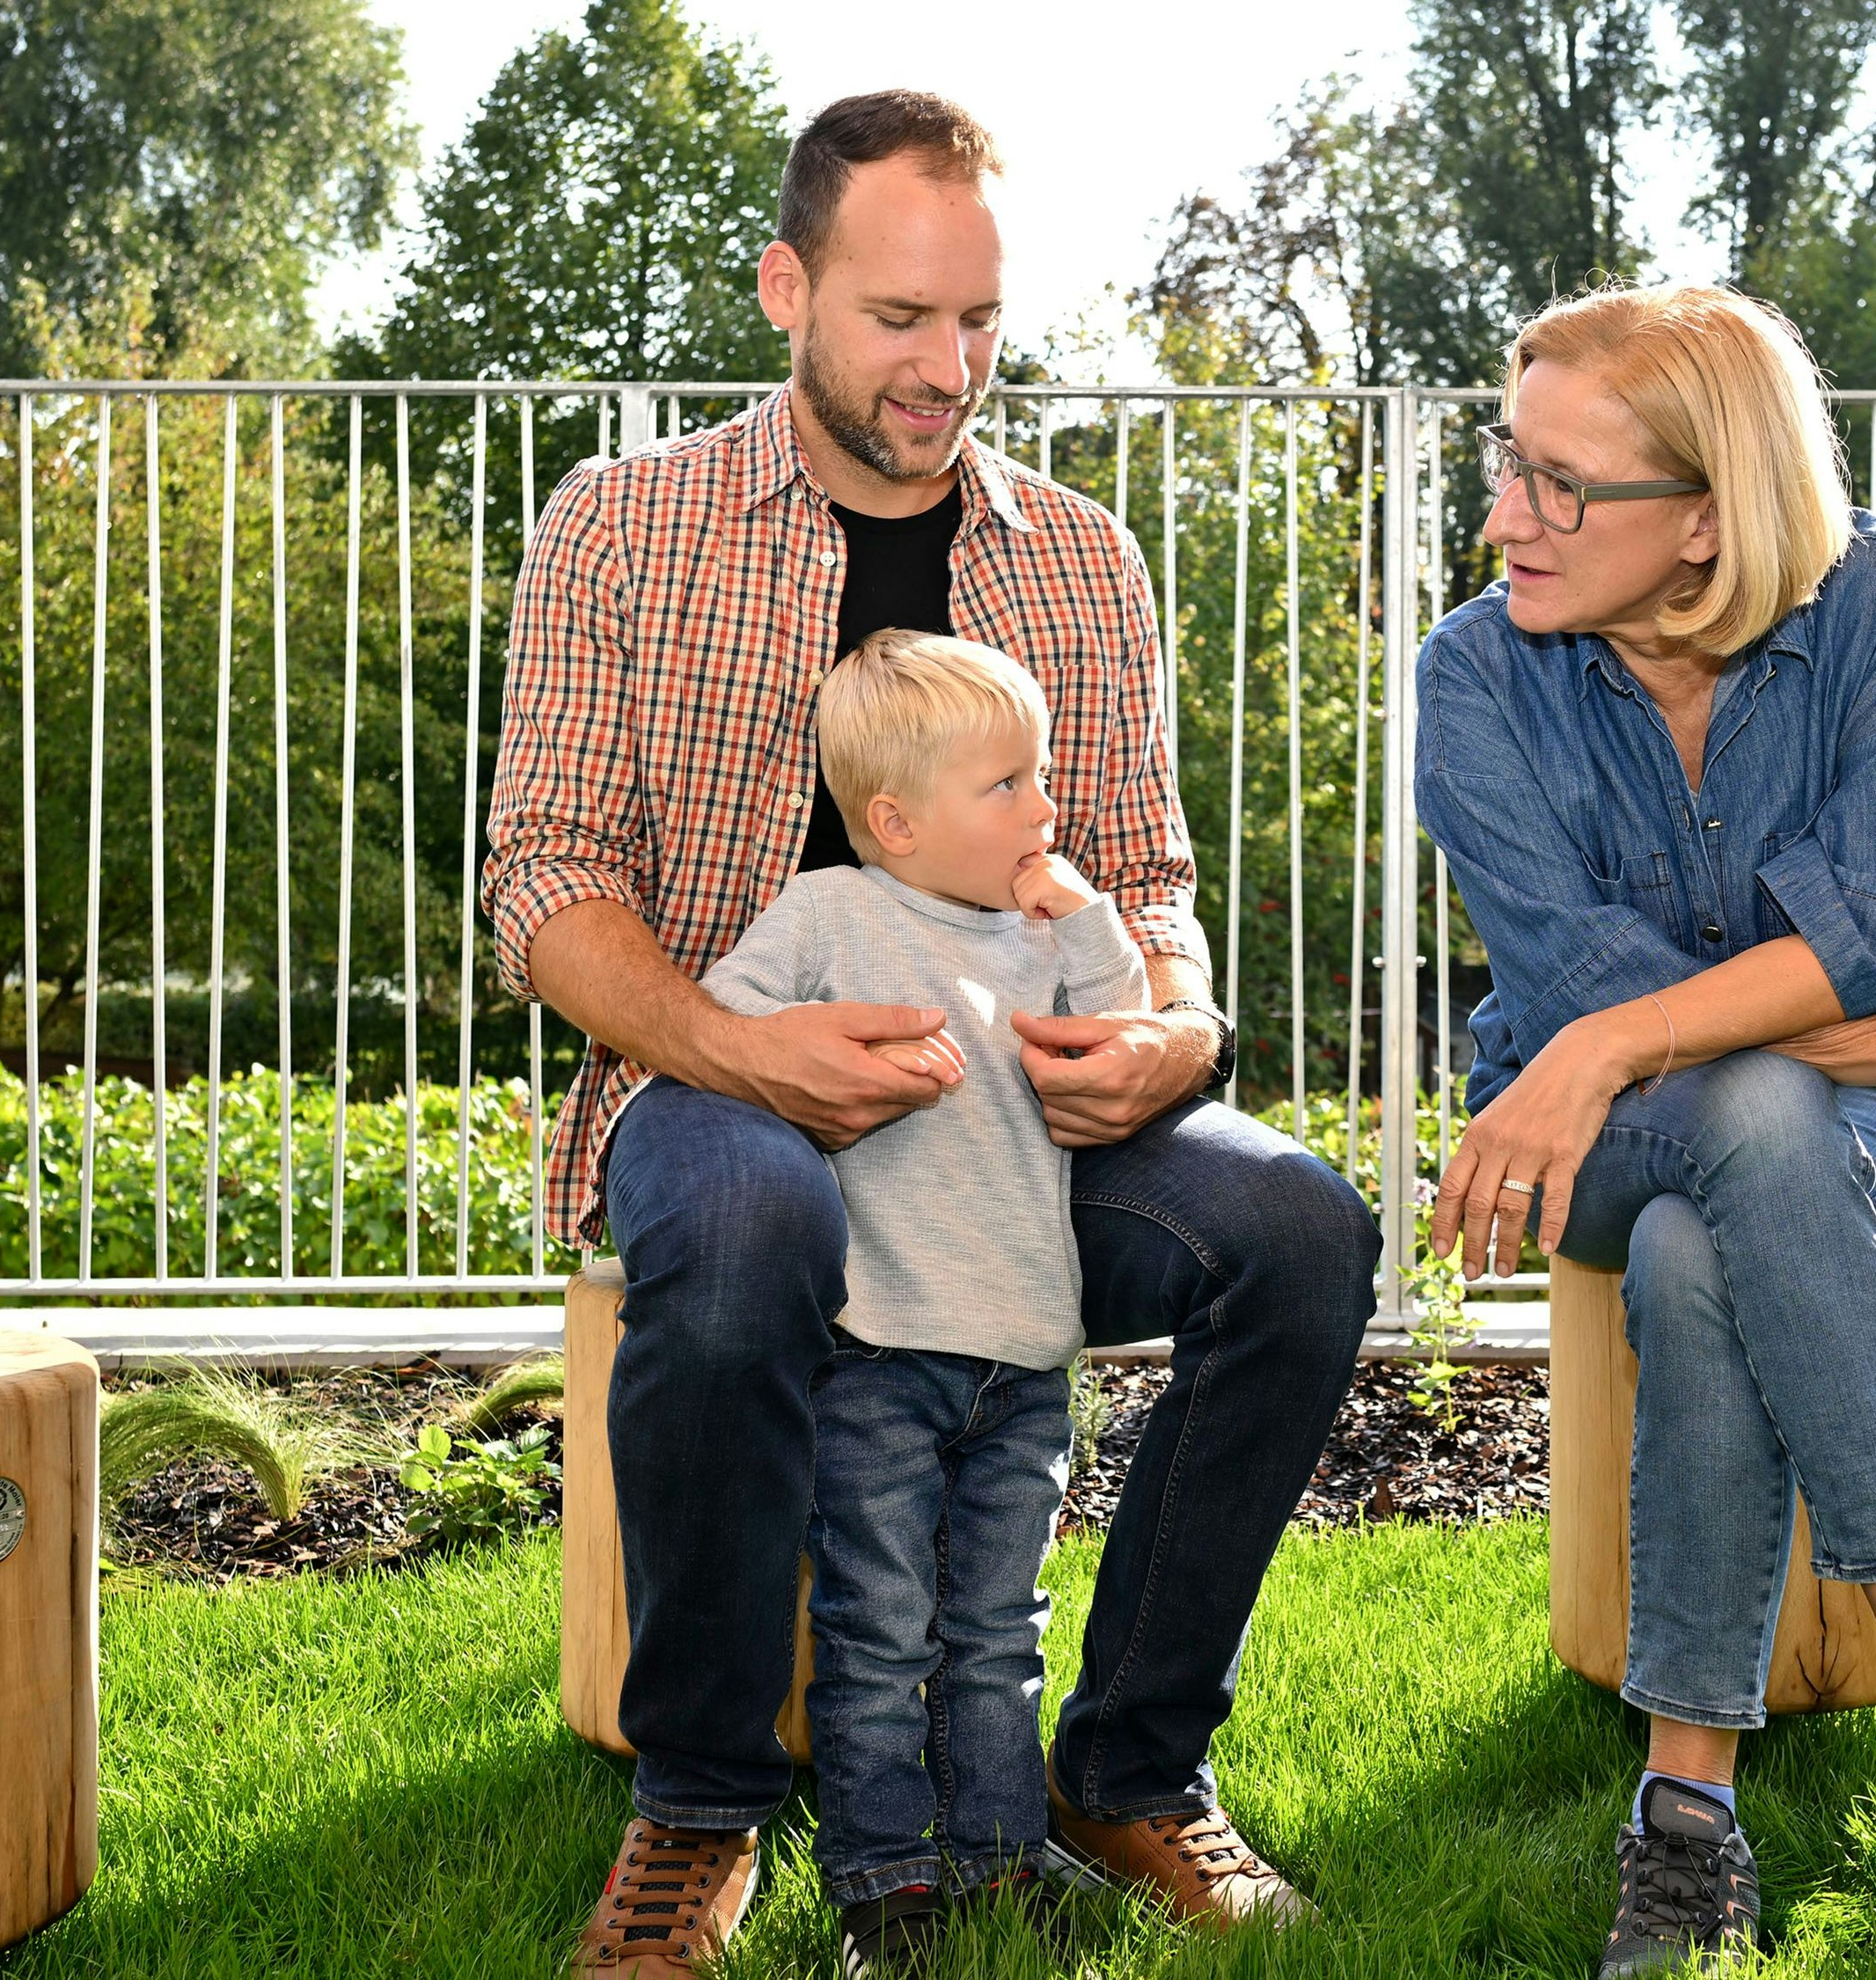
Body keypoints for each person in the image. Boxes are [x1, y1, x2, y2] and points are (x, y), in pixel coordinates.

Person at [480, 90, 1376, 1977]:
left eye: (977, 322)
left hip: (1022, 1121)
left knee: (1298, 1228)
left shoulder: (1078, 556)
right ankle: (700, 1810)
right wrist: (746, 1060)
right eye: (899, 319)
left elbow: (1142, 875)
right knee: (741, 1234)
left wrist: (1176, 1038)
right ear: (783, 289)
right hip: (722, 1090)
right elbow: (545, 882)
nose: (947, 367)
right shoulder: (619, 527)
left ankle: (1124, 1769)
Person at [1413, 282, 1876, 1980]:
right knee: (1728, 1116)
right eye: (1506, 463)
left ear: (1704, 524)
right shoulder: (1475, 676)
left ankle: (1685, 1824)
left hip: (1868, 1145)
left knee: (1704, 1239)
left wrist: (1826, 1018)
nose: (1503, 516)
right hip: (1600, 1138)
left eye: (1555, 485)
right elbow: (1602, 990)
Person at [698, 629, 1148, 1976]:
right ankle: (885, 1877)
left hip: (1025, 1353)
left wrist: (1088, 919)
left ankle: (1004, 1850)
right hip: (884, 1347)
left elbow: (1121, 1021)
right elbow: (733, 1023)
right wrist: (804, 1067)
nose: (1044, 806)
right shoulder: (831, 914)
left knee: (998, 1626)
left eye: (1045, 774)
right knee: (879, 1625)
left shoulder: (1034, 934)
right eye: (1007, 784)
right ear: (894, 817)